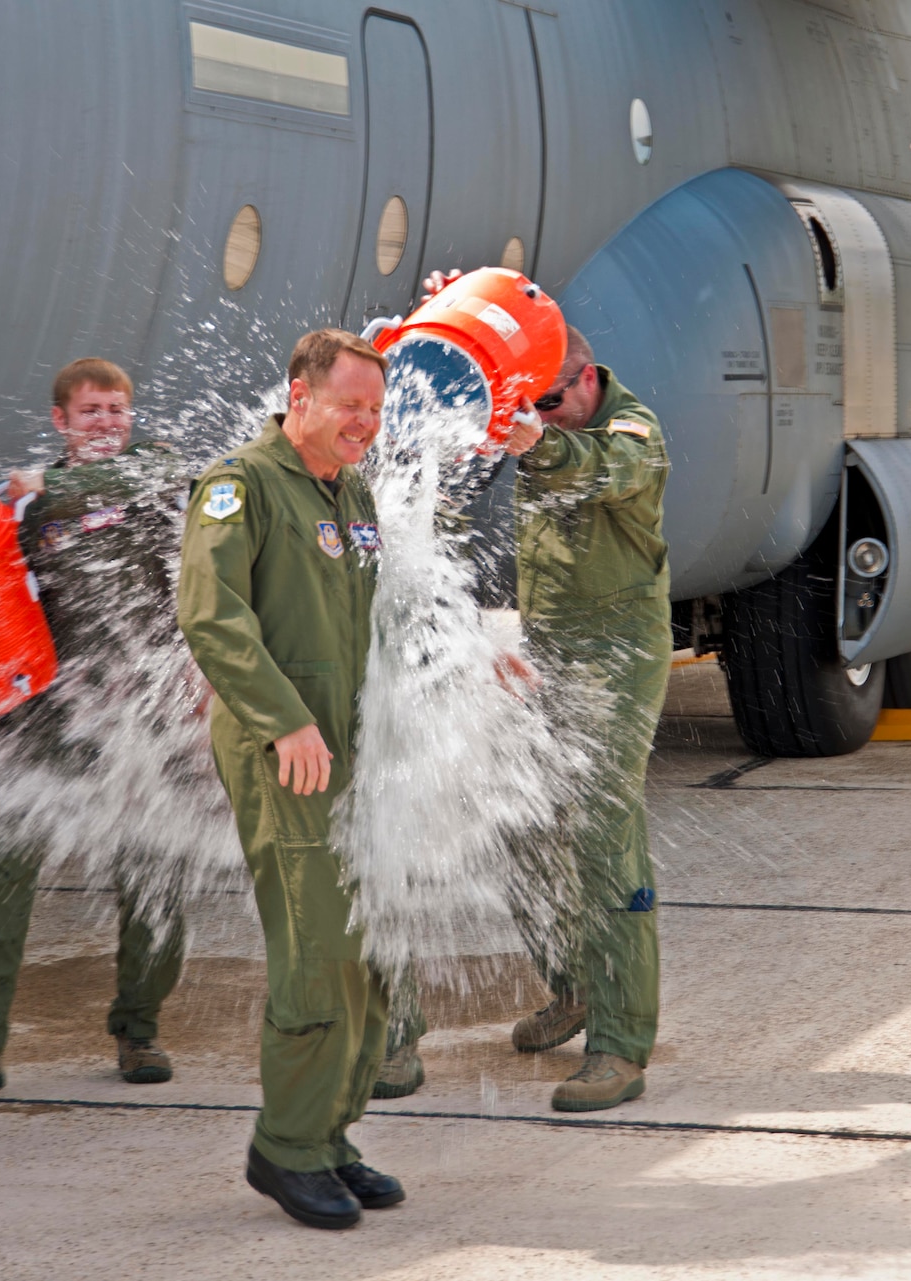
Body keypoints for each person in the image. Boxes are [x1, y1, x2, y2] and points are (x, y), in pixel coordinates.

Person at [374, 285, 670, 1113]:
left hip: (615, 658)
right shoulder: (547, 398)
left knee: (604, 833)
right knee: (523, 824)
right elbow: (509, 324)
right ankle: (573, 982)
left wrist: (538, 438)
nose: (525, 421)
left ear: (580, 386)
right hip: (544, 650)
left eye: (542, 405)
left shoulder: (630, 434)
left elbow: (600, 471)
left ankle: (620, 1044)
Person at [178, 329, 402, 1230]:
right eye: (352, 406)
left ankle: (333, 1131)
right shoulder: (242, 484)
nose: (366, 424)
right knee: (316, 943)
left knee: (364, 941)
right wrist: (285, 721)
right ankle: (288, 1147)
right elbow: (211, 615)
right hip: (289, 749)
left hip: (349, 743)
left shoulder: (350, 488)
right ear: (299, 395)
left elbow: (380, 611)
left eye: (378, 411)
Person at [0, 358, 190, 1092]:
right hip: (52, 714)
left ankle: (139, 1031)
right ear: (61, 422)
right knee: (5, 862)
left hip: (147, 710)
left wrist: (53, 484)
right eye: (93, 412)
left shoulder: (154, 471)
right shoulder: (25, 509)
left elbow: (150, 481)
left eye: (117, 410)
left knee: (154, 873)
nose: (108, 423)